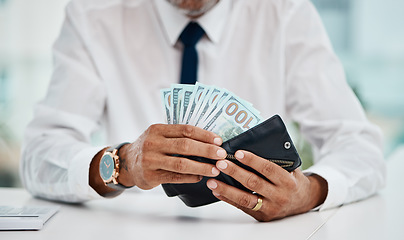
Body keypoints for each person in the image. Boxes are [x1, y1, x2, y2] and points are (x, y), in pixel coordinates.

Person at [20, 0, 386, 222]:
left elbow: (359, 147)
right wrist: (120, 164)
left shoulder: (285, 13)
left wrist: (308, 193)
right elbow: (39, 154)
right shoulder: (93, 14)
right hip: (131, 226)